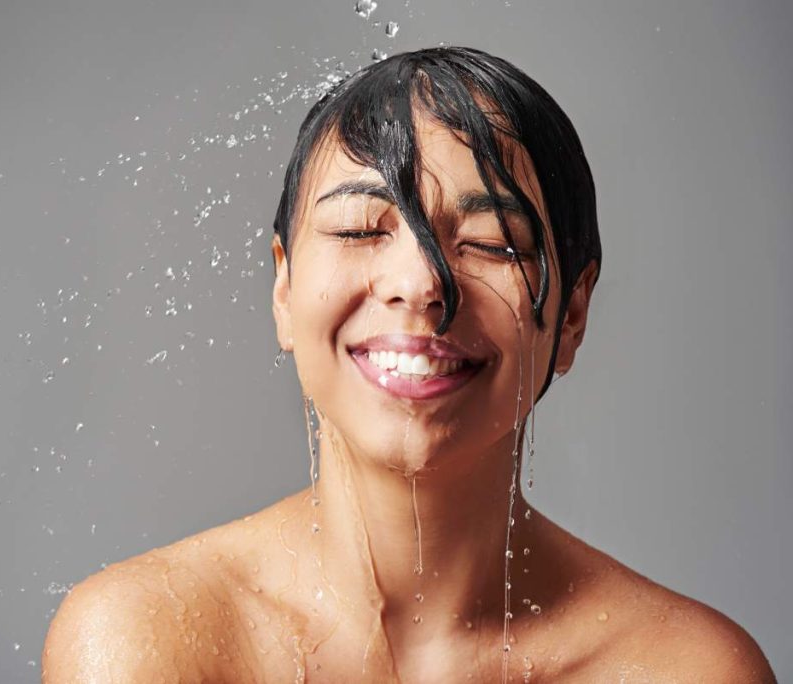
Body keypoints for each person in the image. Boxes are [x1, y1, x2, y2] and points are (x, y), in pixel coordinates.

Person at [42, 46, 776, 683]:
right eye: (362, 228)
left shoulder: (683, 670)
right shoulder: (148, 640)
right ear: (284, 286)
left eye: (491, 242)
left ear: (574, 312)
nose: (422, 286)